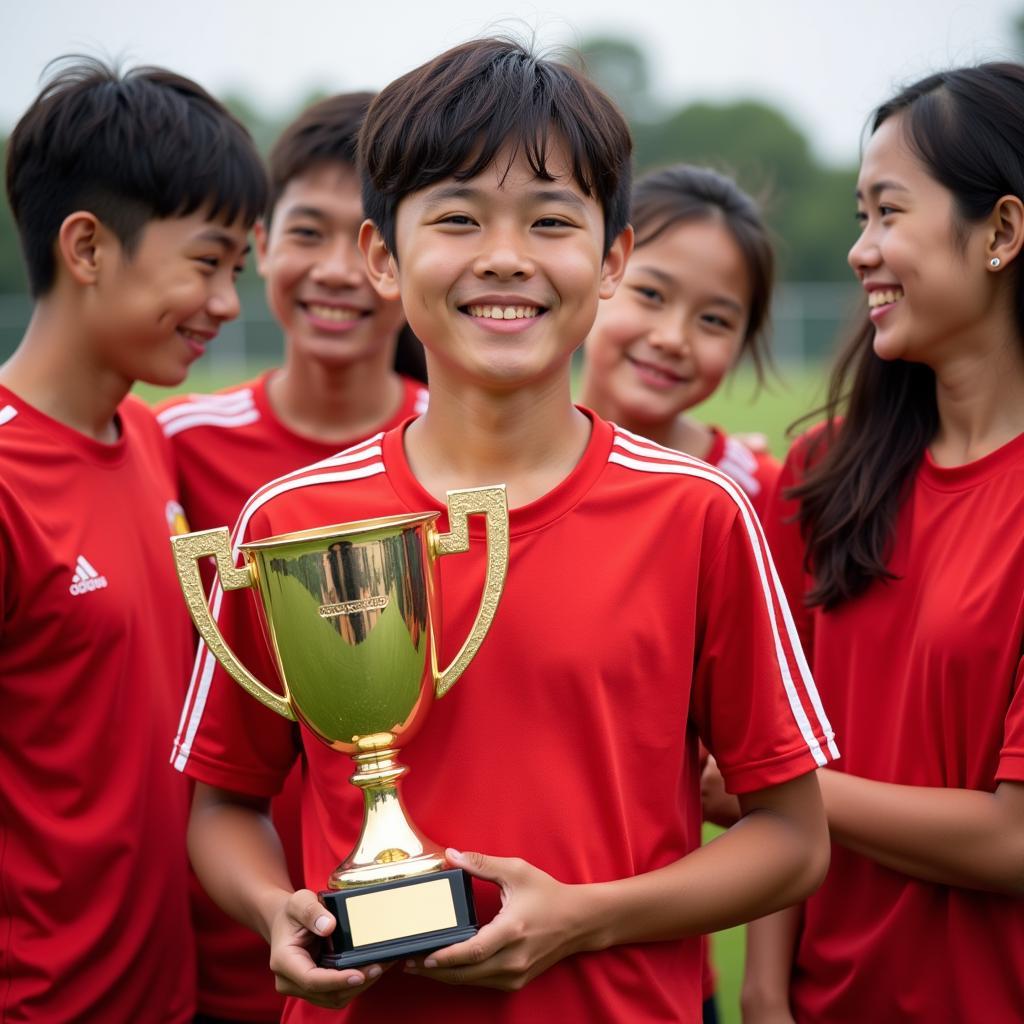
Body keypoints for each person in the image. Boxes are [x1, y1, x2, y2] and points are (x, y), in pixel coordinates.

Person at [173, 38, 835, 1024]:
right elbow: (224, 801)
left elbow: (791, 836)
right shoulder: (292, 521)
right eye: (456, 217)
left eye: (551, 220)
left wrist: (585, 917)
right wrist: (274, 908)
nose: (505, 256)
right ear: (382, 257)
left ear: (610, 259)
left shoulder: (698, 512)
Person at [742, 63, 1024, 1024]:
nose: (862, 250)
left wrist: (781, 785)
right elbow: (785, 748)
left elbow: (1014, 841)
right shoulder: (825, 474)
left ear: (1002, 233)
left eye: (888, 213)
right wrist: (766, 993)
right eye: (861, 217)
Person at [0, 58, 265, 1022]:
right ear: (87, 247)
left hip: (173, 992)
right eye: (207, 261)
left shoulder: (149, 440)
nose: (229, 303)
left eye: (237, 270)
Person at [154, 90, 427, 1024]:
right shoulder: (174, 444)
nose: (334, 271)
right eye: (306, 232)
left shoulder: (463, 465)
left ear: (398, 258)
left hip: (421, 956)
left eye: (363, 239)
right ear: (262, 245)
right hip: (212, 956)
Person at [581, 162, 780, 1023]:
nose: (672, 337)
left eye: (714, 319)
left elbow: (776, 775)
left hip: (662, 967)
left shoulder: (756, 492)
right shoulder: (478, 462)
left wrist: (765, 990)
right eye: (652, 295)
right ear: (602, 272)